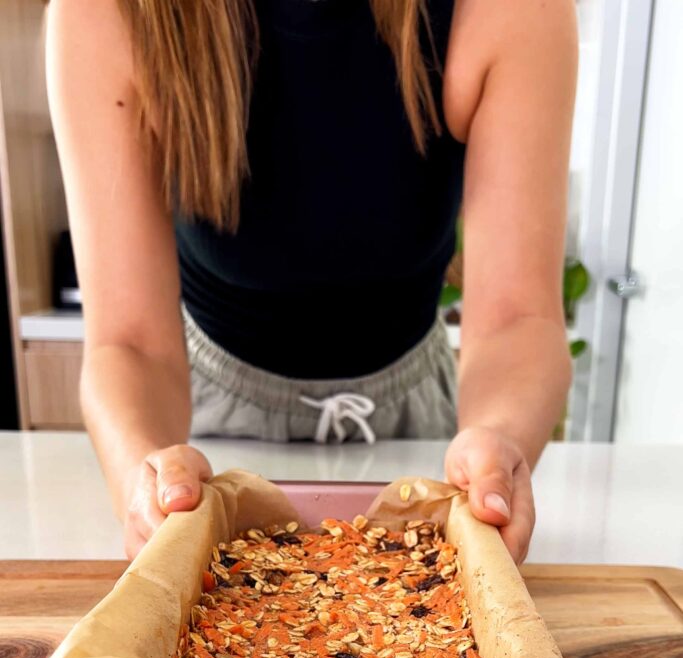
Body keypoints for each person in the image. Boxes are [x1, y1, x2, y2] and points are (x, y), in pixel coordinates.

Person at [46, 0, 577, 561]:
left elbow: (518, 319)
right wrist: (146, 473)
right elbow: (129, 342)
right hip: (201, 425)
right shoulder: (102, 14)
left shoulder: (515, 10)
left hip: (424, 421)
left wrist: (499, 438)